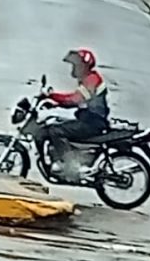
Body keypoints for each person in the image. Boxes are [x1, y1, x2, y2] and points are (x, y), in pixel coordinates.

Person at [43, 48, 110, 177]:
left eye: (76, 65)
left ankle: (72, 164)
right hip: (89, 119)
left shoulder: (91, 80)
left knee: (55, 130)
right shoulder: (88, 79)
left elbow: (74, 100)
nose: (74, 68)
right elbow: (77, 102)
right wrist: (54, 104)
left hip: (92, 123)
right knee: (58, 123)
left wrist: (52, 96)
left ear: (84, 66)